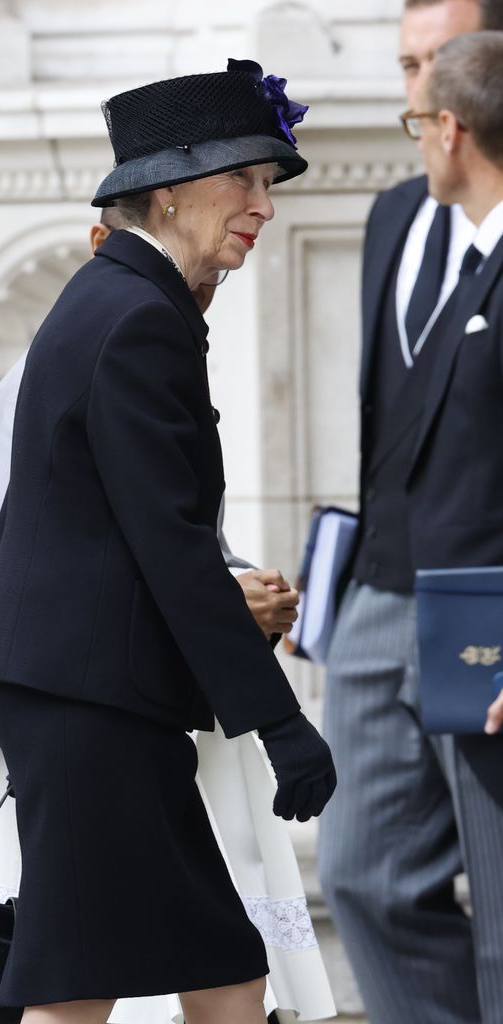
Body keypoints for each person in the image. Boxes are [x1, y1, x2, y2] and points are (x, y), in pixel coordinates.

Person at [0, 59, 336, 1024]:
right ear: (168, 190)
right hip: (89, 707)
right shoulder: (136, 317)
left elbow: (134, 527)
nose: (266, 205)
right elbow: (166, 545)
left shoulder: (125, 300)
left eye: (269, 183)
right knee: (86, 986)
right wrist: (281, 724)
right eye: (245, 178)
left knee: (214, 966)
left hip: (93, 701)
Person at [317, 4, 503, 1023]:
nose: (423, 86)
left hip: (482, 607)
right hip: (381, 591)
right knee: (359, 869)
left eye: (444, 63)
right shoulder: (394, 212)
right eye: (410, 64)